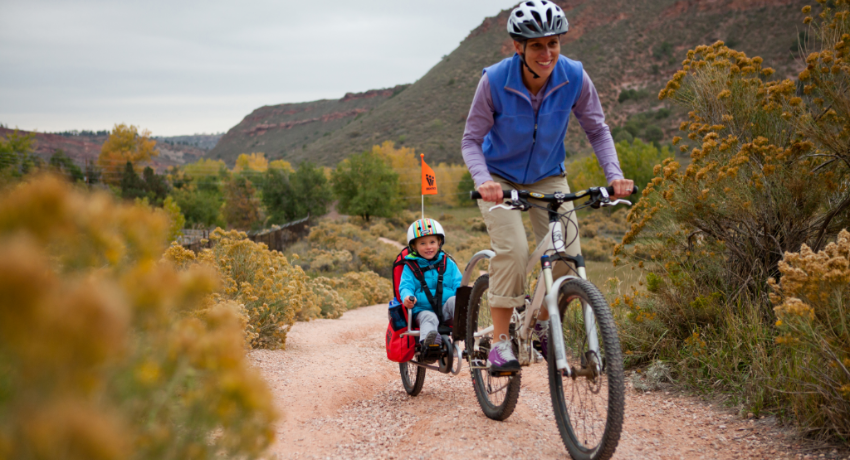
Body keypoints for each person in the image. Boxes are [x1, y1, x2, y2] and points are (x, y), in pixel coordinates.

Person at [461, 0, 635, 372]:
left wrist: (614, 175)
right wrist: (484, 181)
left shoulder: (573, 76)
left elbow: (597, 130)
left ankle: (538, 320)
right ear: (518, 47)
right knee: (515, 248)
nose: (547, 53)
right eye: (537, 45)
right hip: (500, 179)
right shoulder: (493, 80)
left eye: (553, 43)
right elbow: (471, 141)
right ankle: (501, 342)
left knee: (567, 257)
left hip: (548, 175)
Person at [398, 218, 463, 353]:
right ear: (414, 246)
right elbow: (406, 286)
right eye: (423, 243)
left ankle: (467, 334)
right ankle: (430, 345)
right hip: (422, 311)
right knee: (429, 317)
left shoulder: (448, 263)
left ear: (439, 243)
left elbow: (459, 284)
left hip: (445, 311)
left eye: (432, 242)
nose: (428, 247)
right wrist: (407, 296)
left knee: (455, 300)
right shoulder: (410, 266)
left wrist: (465, 296)